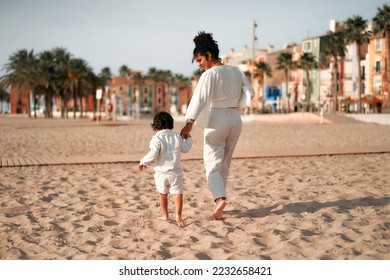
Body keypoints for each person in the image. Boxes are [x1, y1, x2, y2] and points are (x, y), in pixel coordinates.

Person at [180, 31, 255, 220]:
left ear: (208, 55)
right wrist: (240, 105)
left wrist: (189, 123)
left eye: (199, 60)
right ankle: (219, 201)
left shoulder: (209, 74)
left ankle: (219, 198)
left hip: (217, 119)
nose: (199, 65)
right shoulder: (236, 70)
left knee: (212, 165)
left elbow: (199, 99)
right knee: (225, 164)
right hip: (235, 119)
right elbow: (250, 92)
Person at [139, 111, 192, 227]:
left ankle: (165, 215)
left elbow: (153, 154)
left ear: (156, 126)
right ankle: (178, 216)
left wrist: (143, 161)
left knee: (163, 194)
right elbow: (185, 149)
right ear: (171, 124)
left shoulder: (156, 139)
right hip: (176, 173)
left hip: (161, 174)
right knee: (178, 195)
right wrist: (189, 139)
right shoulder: (177, 136)